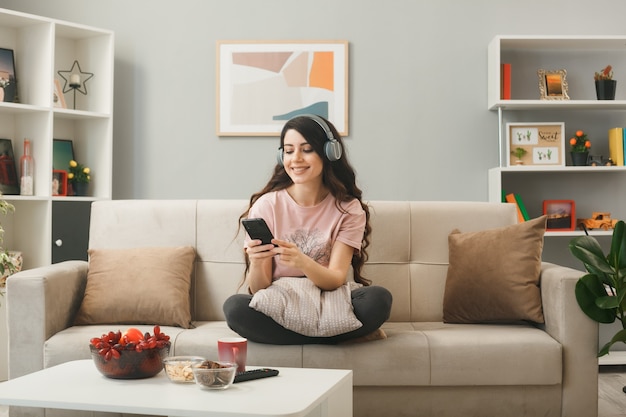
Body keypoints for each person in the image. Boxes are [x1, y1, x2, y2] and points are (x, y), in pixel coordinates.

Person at [223, 114, 392, 345]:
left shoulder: (348, 209)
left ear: (329, 152)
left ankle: (298, 338)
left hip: (330, 299)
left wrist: (302, 261)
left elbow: (334, 280)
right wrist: (257, 261)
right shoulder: (266, 205)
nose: (296, 159)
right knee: (234, 308)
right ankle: (337, 336)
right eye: (289, 150)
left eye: (307, 149)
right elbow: (259, 288)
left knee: (378, 299)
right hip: (280, 298)